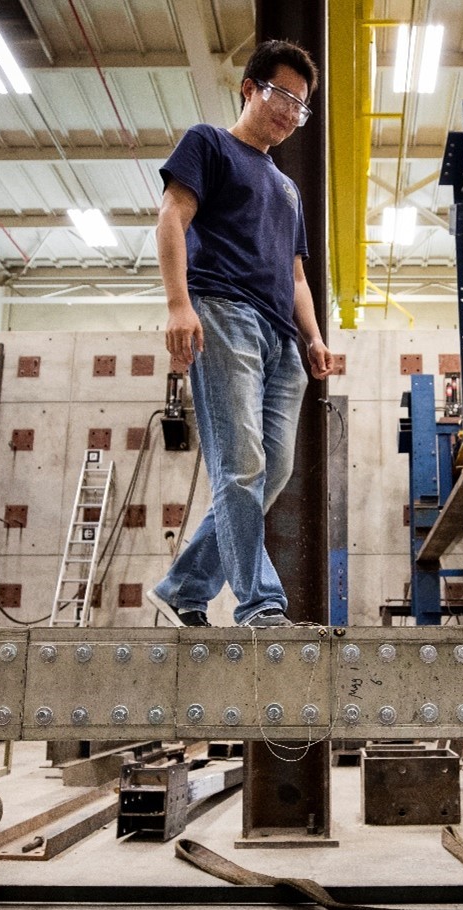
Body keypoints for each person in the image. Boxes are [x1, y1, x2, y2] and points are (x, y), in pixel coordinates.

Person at [145, 39, 332, 629]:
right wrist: (179, 304)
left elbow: (296, 273)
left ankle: (184, 585)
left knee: (269, 470)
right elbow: (172, 215)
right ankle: (260, 604)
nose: (289, 112)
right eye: (281, 95)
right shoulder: (210, 142)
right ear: (250, 87)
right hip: (224, 313)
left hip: (283, 342)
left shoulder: (288, 188)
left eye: (301, 107)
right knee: (240, 462)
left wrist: (315, 337)